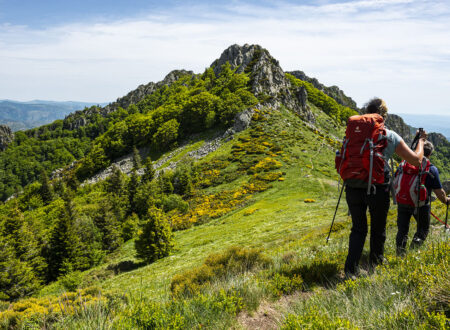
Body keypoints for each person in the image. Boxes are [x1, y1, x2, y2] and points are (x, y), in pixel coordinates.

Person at [344, 97, 426, 277]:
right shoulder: (389, 135)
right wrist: (420, 142)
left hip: (352, 186)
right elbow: (417, 160)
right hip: (377, 188)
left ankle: (350, 270)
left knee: (358, 228)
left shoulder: (353, 132)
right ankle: (375, 266)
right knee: (378, 228)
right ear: (384, 115)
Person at [395, 140, 450, 255]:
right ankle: (412, 252)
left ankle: (399, 254)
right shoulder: (431, 169)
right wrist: (446, 201)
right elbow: (439, 192)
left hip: (402, 201)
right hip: (420, 205)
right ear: (429, 154)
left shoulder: (404, 164)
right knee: (423, 229)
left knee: (402, 229)